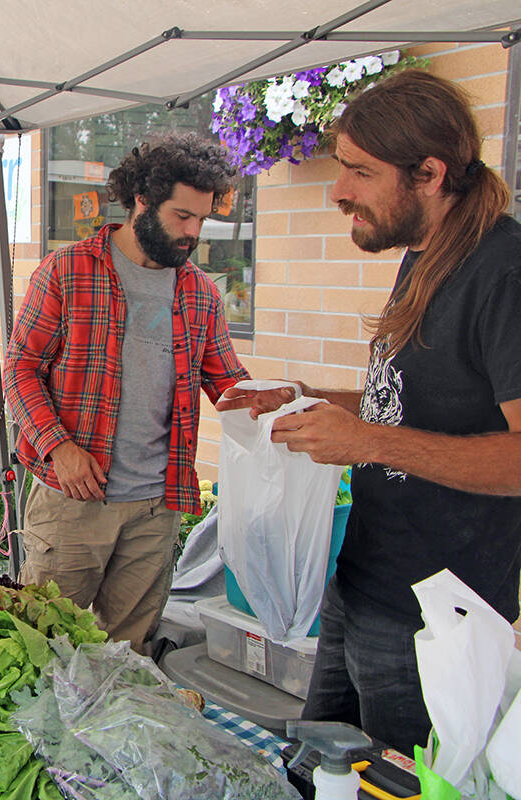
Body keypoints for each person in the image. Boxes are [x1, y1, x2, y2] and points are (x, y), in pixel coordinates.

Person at [239, 70, 521, 752]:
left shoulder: (504, 272)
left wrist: (365, 439)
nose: (339, 192)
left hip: (436, 621)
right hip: (365, 584)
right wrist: (306, 399)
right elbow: (409, 404)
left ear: (429, 173)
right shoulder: (427, 254)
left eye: (360, 173)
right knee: (315, 768)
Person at [5, 133, 291, 652]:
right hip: (72, 500)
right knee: (42, 649)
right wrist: (58, 448)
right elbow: (19, 369)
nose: (193, 232)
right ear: (141, 199)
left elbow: (227, 381)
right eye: (183, 216)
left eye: (202, 220)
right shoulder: (68, 271)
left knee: (127, 654)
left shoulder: (200, 292)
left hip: (157, 507)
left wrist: (270, 400)